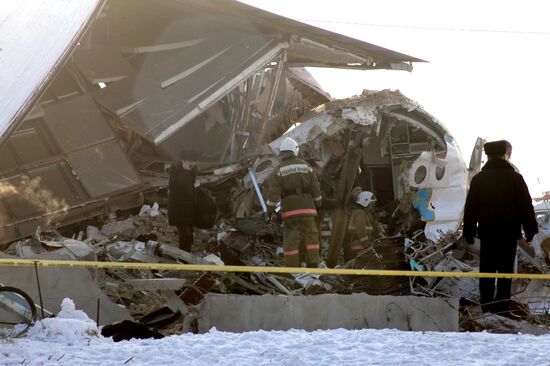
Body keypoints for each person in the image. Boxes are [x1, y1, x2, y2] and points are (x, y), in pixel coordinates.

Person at [463, 140, 538, 315]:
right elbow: (526, 206)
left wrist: (469, 232)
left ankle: (487, 306)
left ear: (488, 156)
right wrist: (530, 229)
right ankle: (502, 306)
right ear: (505, 155)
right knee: (505, 271)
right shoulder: (515, 178)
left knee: (487, 270)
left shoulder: (478, 179)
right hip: (509, 234)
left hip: (488, 234)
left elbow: (471, 208)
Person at [266, 137, 323, 267]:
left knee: (290, 238)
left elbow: (273, 193)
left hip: (290, 210)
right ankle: (313, 263)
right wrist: (318, 204)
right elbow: (315, 187)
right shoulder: (306, 166)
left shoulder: (278, 169)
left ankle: (292, 266)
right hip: (308, 207)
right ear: (295, 150)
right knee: (311, 236)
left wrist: (270, 211)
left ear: (282, 152)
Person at [168, 152, 198, 252]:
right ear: (184, 161)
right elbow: (175, 186)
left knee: (188, 235)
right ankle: (184, 259)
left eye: (194, 162)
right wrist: (185, 172)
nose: (192, 164)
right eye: (191, 162)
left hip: (189, 209)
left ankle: (185, 255)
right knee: (186, 236)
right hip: (179, 209)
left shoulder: (192, 169)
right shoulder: (175, 170)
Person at [347, 190, 377, 257]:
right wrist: (367, 245)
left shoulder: (361, 212)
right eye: (371, 203)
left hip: (360, 246)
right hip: (360, 247)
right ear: (365, 201)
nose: (371, 205)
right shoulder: (360, 213)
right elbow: (360, 231)